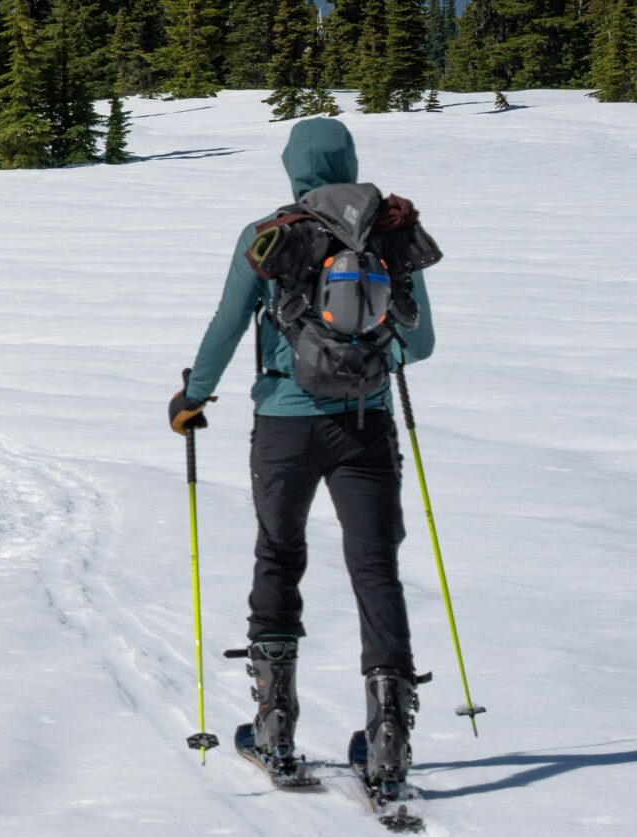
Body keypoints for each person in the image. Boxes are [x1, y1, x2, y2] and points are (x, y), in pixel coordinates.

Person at [164, 117, 435, 785]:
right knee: (376, 568)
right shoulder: (390, 230)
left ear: (293, 168)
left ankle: (274, 725)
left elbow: (228, 326)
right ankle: (390, 740)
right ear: (349, 160)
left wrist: (191, 396)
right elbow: (420, 344)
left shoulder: (269, 235)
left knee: (279, 553)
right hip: (366, 423)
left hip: (284, 425)